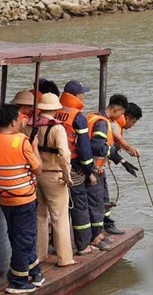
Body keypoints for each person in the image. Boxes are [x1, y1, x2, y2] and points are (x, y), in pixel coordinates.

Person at [0, 103, 44, 294]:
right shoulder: (21, 141)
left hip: (4, 198)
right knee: (25, 237)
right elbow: (38, 169)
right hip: (23, 199)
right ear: (12, 122)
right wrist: (34, 147)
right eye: (19, 120)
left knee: (16, 234)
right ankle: (18, 280)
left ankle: (34, 270)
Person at [31, 92, 75, 267]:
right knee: (59, 218)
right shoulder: (58, 129)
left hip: (36, 175)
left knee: (40, 216)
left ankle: (40, 254)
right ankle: (65, 258)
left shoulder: (29, 125)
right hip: (54, 174)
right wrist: (67, 175)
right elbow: (64, 154)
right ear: (56, 109)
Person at [56, 80, 98, 255]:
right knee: (79, 206)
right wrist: (90, 171)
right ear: (77, 96)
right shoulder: (78, 117)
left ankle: (56, 245)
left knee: (60, 209)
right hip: (74, 167)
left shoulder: (55, 112)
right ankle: (83, 245)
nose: (84, 96)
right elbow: (84, 148)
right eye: (82, 93)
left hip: (54, 165)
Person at [86, 94, 127, 249]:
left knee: (100, 200)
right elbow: (98, 147)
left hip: (94, 167)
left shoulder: (92, 117)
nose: (120, 117)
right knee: (96, 204)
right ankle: (95, 237)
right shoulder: (102, 124)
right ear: (115, 109)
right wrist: (114, 149)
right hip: (95, 168)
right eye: (121, 114)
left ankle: (99, 233)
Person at [103, 101, 142, 236]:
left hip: (99, 165)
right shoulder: (112, 123)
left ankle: (104, 223)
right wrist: (129, 151)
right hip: (95, 168)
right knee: (103, 196)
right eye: (133, 122)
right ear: (126, 116)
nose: (133, 126)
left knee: (103, 196)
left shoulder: (115, 123)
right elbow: (117, 140)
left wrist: (123, 160)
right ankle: (106, 225)